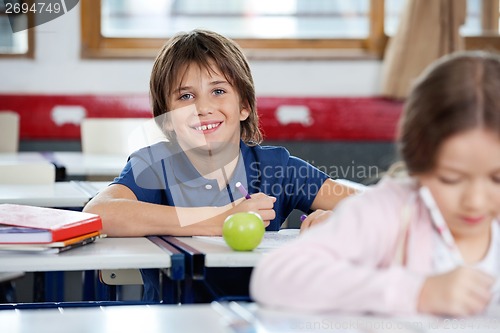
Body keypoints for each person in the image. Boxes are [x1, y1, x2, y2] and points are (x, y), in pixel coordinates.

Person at [83, 29, 357, 301]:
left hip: (261, 320)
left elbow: (382, 210)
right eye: (185, 96)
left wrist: (339, 221)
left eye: (218, 91)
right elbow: (99, 212)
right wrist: (219, 218)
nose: (202, 107)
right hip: (175, 321)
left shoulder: (278, 168)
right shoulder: (154, 166)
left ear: (244, 106)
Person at [250, 50, 500, 317]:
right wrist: (416, 292)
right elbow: (275, 277)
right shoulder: (389, 211)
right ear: (418, 161)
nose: (475, 201)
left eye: (497, 178)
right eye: (452, 179)